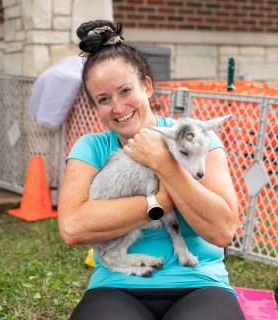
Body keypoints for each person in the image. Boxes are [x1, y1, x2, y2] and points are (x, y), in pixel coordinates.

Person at [57, 20, 245, 320]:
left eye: (125, 90)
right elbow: (73, 227)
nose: (117, 108)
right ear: (94, 106)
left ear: (147, 86)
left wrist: (162, 161)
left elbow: (222, 230)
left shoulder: (197, 138)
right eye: (103, 99)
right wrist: (158, 203)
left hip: (199, 284)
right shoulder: (91, 147)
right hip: (117, 286)